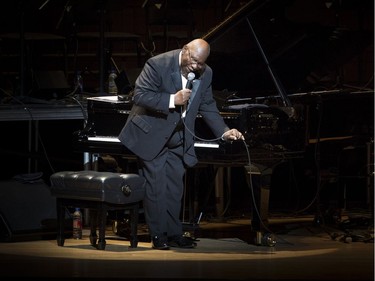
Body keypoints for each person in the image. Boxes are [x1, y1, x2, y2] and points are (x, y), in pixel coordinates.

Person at [118, 38, 244, 250]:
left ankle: (174, 233)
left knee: (175, 188)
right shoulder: (158, 64)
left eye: (201, 63)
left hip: (179, 137)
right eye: (194, 60)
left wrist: (223, 132)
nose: (196, 66)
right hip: (152, 133)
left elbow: (207, 105)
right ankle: (158, 236)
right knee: (156, 187)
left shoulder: (206, 73)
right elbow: (139, 95)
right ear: (185, 50)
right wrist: (171, 100)